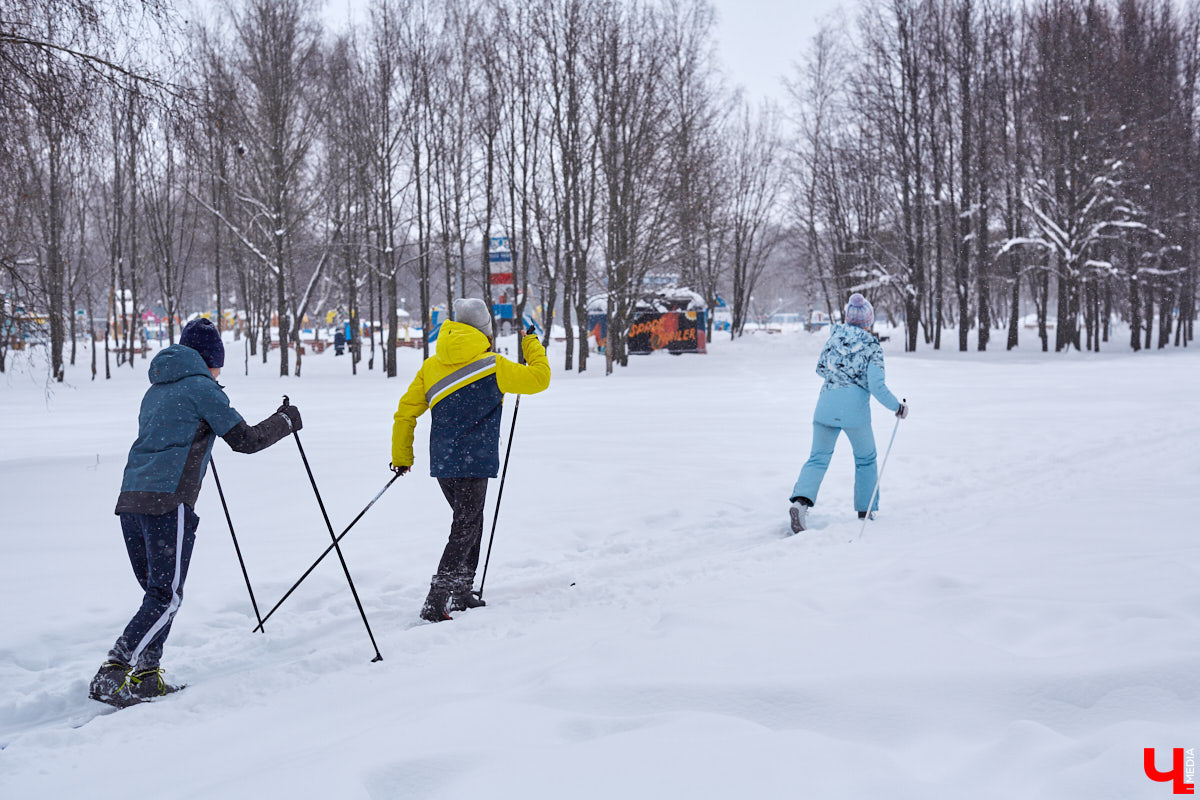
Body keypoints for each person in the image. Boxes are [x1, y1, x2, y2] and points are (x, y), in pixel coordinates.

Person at [88, 318, 303, 707]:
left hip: (132, 500)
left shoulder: (155, 390)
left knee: (156, 593)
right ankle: (114, 671)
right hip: (168, 501)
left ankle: (147, 676)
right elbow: (246, 441)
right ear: (209, 359)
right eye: (219, 362)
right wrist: (285, 422)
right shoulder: (202, 387)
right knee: (165, 596)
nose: (220, 371)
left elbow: (173, 434)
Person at [390, 298, 551, 622]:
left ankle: (462, 591)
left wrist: (402, 456)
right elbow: (539, 379)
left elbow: (406, 413)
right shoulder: (494, 365)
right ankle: (437, 600)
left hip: (445, 464)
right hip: (474, 462)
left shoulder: (431, 367)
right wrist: (531, 343)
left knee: (469, 522)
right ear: (485, 331)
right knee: (465, 527)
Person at [789, 293, 909, 533]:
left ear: (848, 318)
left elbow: (821, 368)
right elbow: (876, 385)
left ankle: (800, 503)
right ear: (868, 321)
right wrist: (897, 406)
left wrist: (839, 378)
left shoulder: (833, 339)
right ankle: (865, 511)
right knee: (865, 459)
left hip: (825, 406)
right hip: (854, 411)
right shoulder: (872, 345)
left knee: (818, 457)